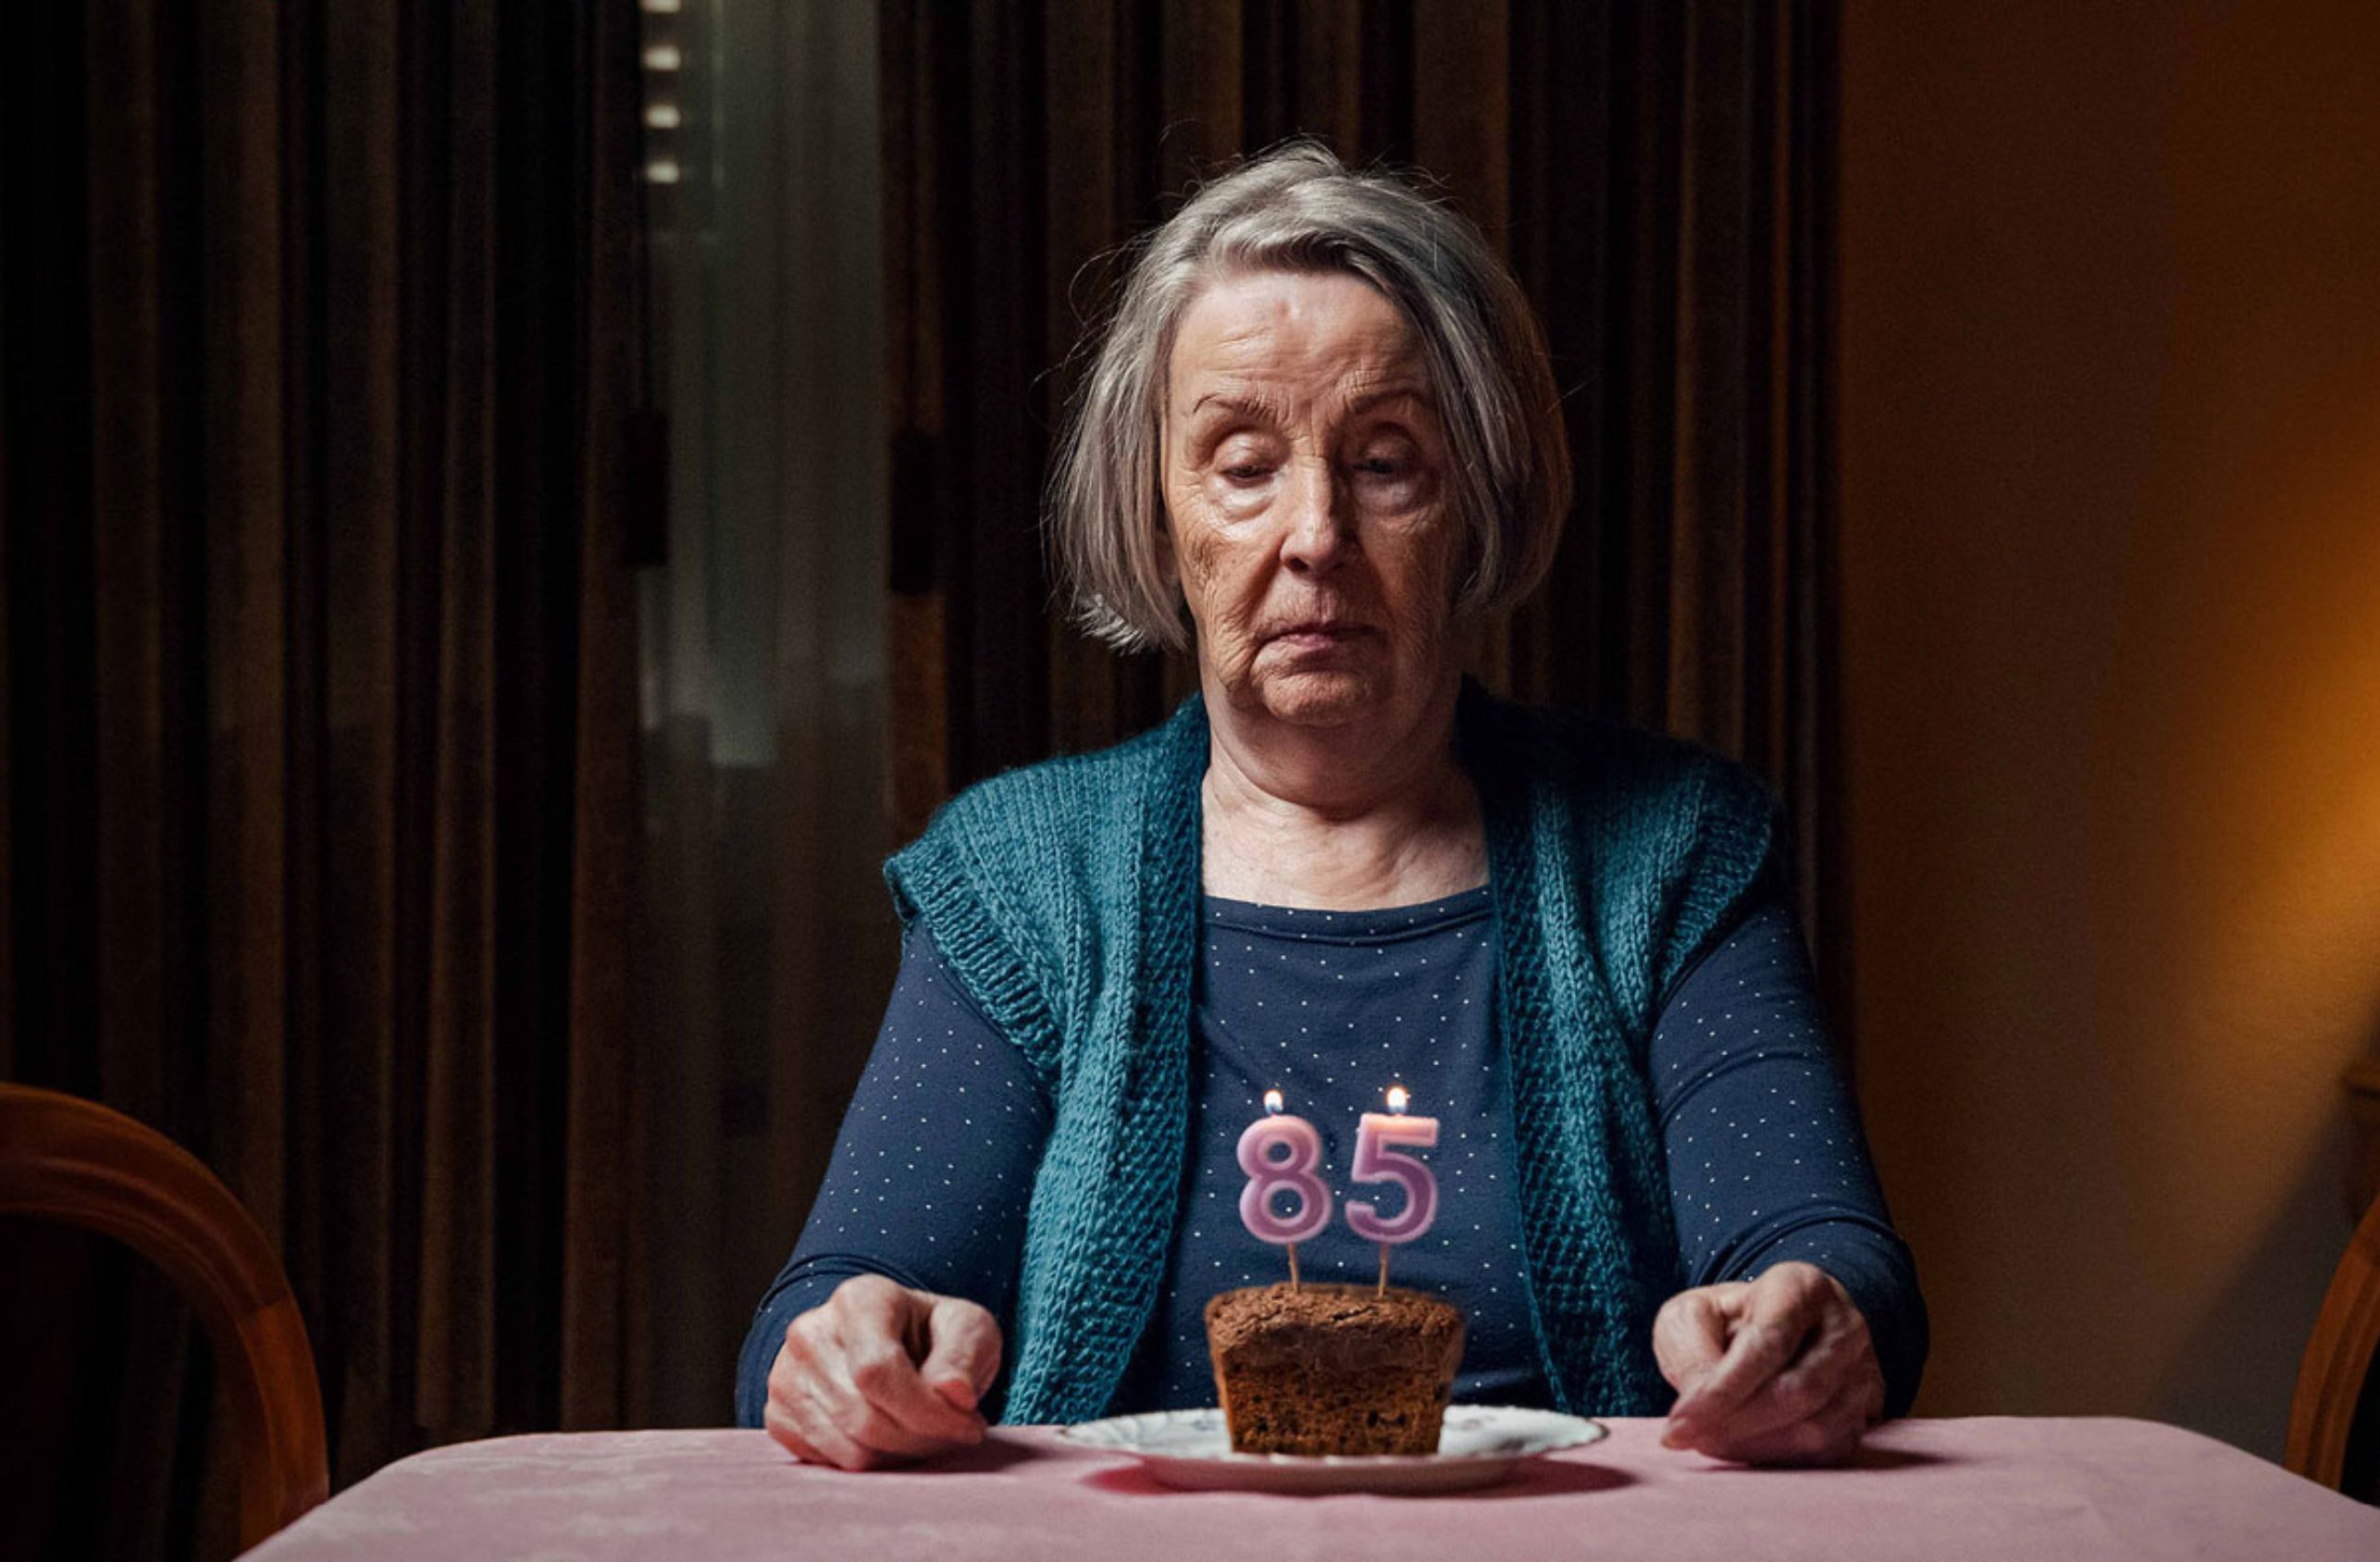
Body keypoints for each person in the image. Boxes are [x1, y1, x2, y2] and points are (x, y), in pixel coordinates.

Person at [737, 142, 1924, 1470]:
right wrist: (843, 1352)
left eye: (1384, 461)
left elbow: (1822, 1256)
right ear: (1158, 508)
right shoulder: (1023, 881)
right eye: (1242, 463)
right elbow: (834, 1303)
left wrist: (1812, 1324)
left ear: (1475, 499)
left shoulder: (1672, 851)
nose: (1314, 535)